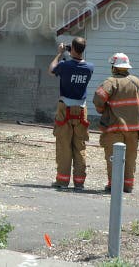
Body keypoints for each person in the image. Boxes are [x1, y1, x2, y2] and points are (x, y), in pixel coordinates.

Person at [93, 52, 139, 193]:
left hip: (115, 128)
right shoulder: (138, 82)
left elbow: (99, 98)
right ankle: (128, 185)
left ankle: (114, 185)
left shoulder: (110, 82)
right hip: (134, 129)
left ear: (114, 67)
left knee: (114, 158)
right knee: (130, 158)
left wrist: (101, 110)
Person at [49, 37, 94, 190]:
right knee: (79, 146)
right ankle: (79, 182)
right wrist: (73, 51)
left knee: (64, 146)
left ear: (72, 48)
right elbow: (79, 63)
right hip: (82, 111)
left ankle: (62, 181)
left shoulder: (64, 65)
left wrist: (60, 53)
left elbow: (51, 69)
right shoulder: (89, 68)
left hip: (65, 109)